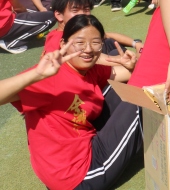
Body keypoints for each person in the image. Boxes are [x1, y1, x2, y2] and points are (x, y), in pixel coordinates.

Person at [1, 14, 142, 189]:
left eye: (95, 42)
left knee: (122, 79)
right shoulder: (49, 77)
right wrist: (36, 74)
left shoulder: (89, 69)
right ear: (63, 44)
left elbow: (127, 74)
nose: (88, 49)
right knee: (140, 101)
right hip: (78, 175)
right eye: (80, 42)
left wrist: (131, 66)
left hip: (83, 144)